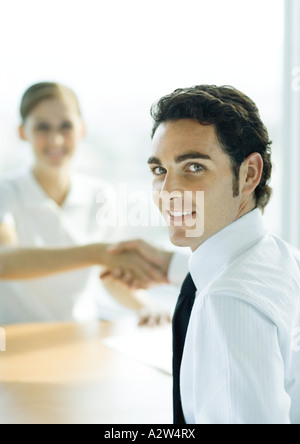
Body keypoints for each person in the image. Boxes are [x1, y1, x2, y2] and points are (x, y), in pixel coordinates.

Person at [143, 84, 300, 424]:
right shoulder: (281, 258)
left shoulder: (226, 301)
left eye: (194, 167)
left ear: (249, 174)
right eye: (159, 170)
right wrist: (164, 264)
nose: (168, 191)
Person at [0, 82, 188, 325]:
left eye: (65, 126)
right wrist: (96, 253)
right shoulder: (7, 193)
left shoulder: (100, 195)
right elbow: (5, 261)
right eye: (42, 127)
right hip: (17, 338)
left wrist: (145, 306)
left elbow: (109, 275)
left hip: (79, 336)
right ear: (22, 132)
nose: (55, 139)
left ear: (82, 130)